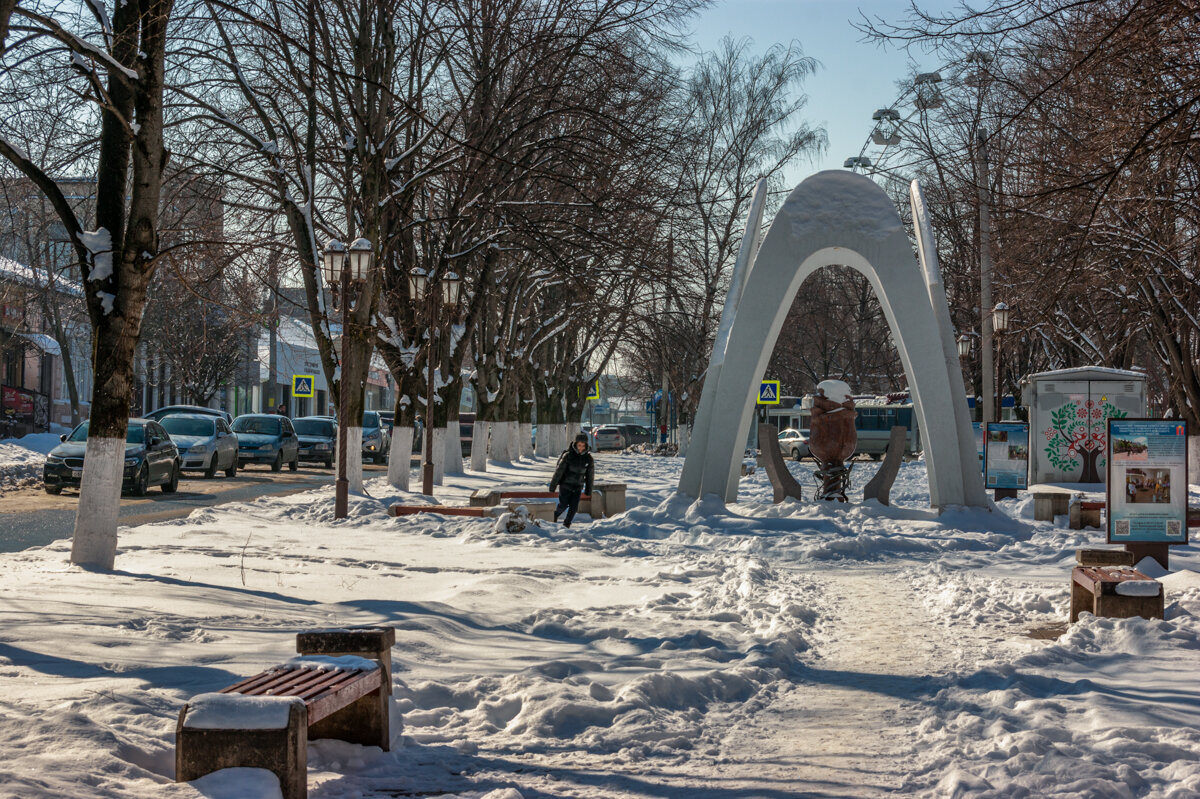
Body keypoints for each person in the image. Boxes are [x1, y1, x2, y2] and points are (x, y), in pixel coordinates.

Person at [549, 433, 594, 528]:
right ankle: (555, 515)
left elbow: (590, 476)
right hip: (565, 485)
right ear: (575, 444)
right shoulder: (568, 456)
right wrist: (553, 485)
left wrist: (588, 490)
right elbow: (559, 472)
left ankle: (567, 524)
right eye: (579, 445)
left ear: (586, 446)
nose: (581, 448)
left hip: (578, 487)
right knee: (563, 505)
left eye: (583, 446)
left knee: (574, 507)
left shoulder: (588, 459)